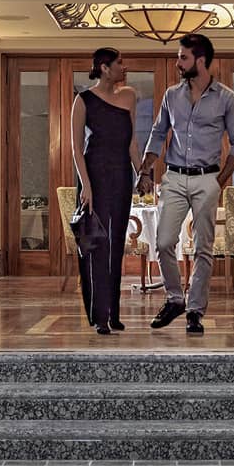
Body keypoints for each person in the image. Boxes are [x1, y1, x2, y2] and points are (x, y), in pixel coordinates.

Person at [138, 33, 234, 335]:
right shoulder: (172, 95)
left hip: (207, 179)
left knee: (203, 249)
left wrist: (219, 182)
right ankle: (175, 299)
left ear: (200, 60)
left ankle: (195, 310)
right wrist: (146, 170)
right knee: (162, 242)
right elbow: (158, 134)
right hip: (173, 177)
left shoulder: (228, 99)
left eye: (183, 57)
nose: (178, 62)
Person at [71, 47, 141, 335]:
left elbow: (132, 142)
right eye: (119, 63)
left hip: (122, 175)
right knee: (97, 246)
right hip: (95, 176)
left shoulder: (130, 96)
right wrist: (85, 184)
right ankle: (99, 316)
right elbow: (75, 147)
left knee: (116, 244)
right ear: (103, 67)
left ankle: (114, 313)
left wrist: (143, 174)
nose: (123, 67)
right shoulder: (83, 100)